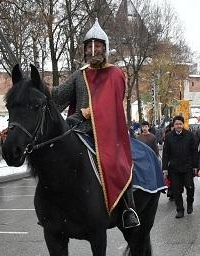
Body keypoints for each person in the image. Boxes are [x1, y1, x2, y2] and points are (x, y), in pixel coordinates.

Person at [51, 19, 139, 226]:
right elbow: (58, 97)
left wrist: (89, 113)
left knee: (114, 162)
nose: (92, 50)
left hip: (107, 132)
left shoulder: (115, 74)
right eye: (89, 46)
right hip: (76, 129)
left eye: (97, 46)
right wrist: (37, 87)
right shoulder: (80, 75)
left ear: (105, 48)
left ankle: (128, 209)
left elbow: (110, 104)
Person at [162, 116, 198, 218]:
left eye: (180, 124)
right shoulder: (169, 136)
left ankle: (190, 203)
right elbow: (165, 154)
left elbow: (195, 151)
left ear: (183, 124)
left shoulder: (190, 135)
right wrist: (164, 168)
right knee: (176, 190)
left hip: (187, 167)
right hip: (174, 168)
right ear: (173, 125)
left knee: (190, 187)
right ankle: (180, 210)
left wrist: (195, 166)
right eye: (176, 124)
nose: (178, 126)